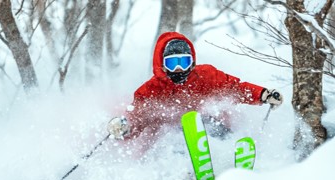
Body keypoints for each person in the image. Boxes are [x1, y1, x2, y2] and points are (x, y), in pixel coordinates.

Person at [107, 31, 283, 153]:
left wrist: (262, 94)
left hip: (209, 128)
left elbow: (235, 89)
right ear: (162, 64)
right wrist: (124, 128)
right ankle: (185, 171)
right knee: (173, 133)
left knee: (203, 120)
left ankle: (225, 157)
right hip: (171, 139)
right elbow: (138, 118)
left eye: (183, 62)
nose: (177, 69)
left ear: (192, 62)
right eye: (171, 63)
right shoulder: (150, 90)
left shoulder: (206, 76)